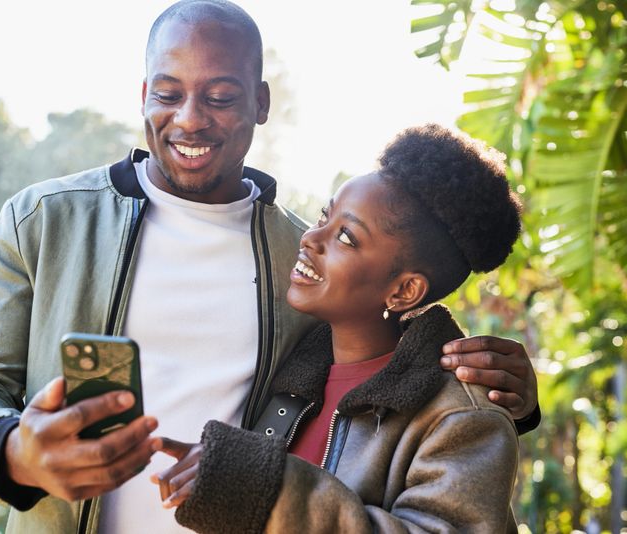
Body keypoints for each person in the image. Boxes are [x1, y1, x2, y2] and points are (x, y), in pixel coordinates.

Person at [0, 1, 539, 533]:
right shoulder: (43, 220)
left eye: (220, 97)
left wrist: (503, 394)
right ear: (144, 95)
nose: (190, 118)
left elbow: (388, 353)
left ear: (261, 102)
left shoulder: (298, 256)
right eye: (168, 93)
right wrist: (14, 453)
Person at [153, 124, 523, 532]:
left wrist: (265, 488)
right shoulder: (294, 367)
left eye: (345, 236)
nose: (311, 237)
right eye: (324, 217)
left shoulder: (460, 417)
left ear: (404, 291)